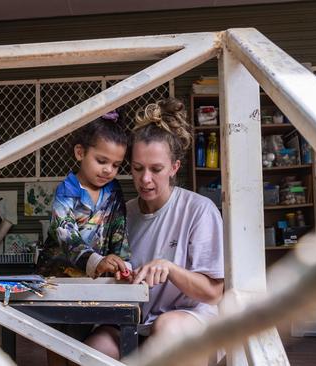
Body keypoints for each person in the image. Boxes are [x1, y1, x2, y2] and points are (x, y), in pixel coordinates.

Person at [85, 98, 224, 364]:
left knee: (167, 328)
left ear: (174, 168)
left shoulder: (199, 210)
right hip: (133, 321)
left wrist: (169, 269)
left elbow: (213, 293)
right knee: (96, 349)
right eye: (138, 169)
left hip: (188, 320)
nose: (145, 179)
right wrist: (111, 268)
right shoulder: (122, 213)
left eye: (156, 169)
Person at [36, 110, 132, 280]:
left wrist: (123, 266)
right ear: (80, 153)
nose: (108, 170)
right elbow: (65, 235)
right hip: (57, 279)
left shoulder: (114, 191)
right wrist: (96, 262)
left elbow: (120, 232)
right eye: (101, 161)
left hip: (98, 282)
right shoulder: (66, 192)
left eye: (116, 165)